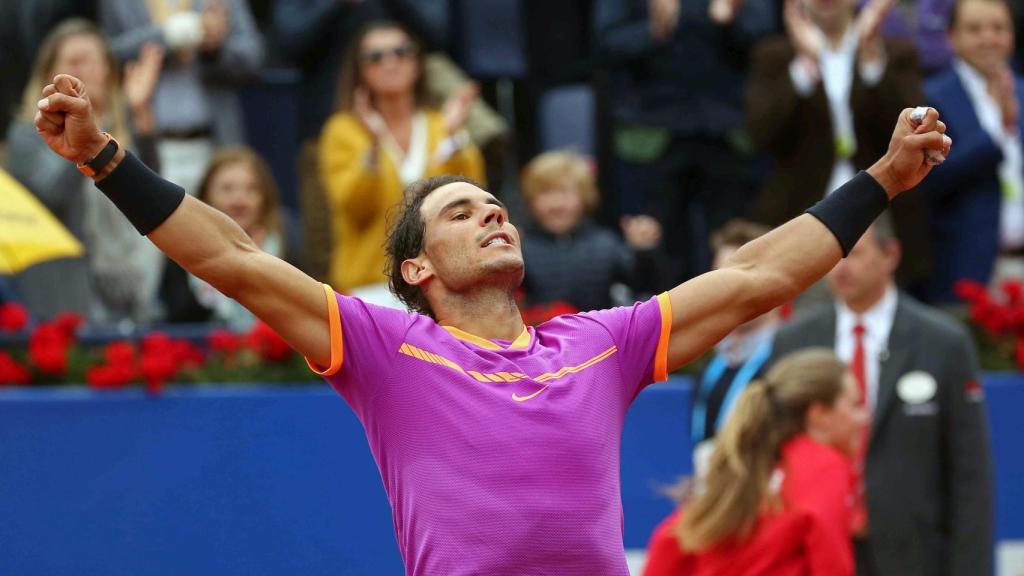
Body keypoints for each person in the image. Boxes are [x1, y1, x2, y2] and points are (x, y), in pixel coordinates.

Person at [33, 68, 949, 574]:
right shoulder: (384, 346)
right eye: (464, 212)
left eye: (496, 204)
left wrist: (881, 182)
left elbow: (755, 276)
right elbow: (228, 257)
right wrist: (106, 158)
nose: (496, 213)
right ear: (417, 269)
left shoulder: (599, 343)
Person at [771, 215, 994, 576]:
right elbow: (775, 448)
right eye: (833, 256)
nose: (840, 268)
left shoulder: (943, 343)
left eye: (854, 254)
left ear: (891, 255)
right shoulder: (794, 340)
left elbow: (969, 472)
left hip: (913, 553)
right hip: (814, 548)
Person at [747, 0, 932, 286]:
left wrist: (872, 63)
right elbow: (761, 134)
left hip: (883, 210)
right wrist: (804, 69)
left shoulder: (894, 52)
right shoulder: (776, 54)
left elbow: (912, 129)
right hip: (799, 209)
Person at [594, 0, 777, 283]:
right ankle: (667, 325)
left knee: (734, 246)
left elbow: (765, 35)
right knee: (656, 248)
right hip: (651, 132)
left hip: (726, 130)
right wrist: (654, 30)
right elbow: (605, 43)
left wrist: (730, 20)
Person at [644, 349, 868, 576]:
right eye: (855, 405)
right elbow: (832, 566)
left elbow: (670, 542)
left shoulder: (749, 459)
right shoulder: (825, 467)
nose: (865, 417)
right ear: (819, 414)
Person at [5, 19, 163, 324]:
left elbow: (150, 194)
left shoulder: (121, 126)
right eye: (74, 62)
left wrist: (141, 115)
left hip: (128, 288)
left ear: (107, 69)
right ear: (47, 74)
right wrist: (89, 130)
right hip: (64, 292)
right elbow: (53, 194)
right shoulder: (26, 133)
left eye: (93, 61)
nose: (85, 70)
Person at [319, 20, 485, 302]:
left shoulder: (441, 125)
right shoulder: (342, 131)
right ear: (359, 71)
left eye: (401, 52)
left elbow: (470, 199)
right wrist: (372, 148)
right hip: (370, 289)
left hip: (443, 284)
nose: (390, 62)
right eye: (375, 57)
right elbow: (354, 208)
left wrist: (452, 140)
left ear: (417, 62)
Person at [98, 0, 265, 195]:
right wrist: (165, 36)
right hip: (148, 142)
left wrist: (215, 51)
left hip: (212, 141)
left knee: (214, 222)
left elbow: (253, 58)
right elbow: (106, 56)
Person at [918, 0, 1024, 303]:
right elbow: (929, 180)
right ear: (952, 37)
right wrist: (997, 134)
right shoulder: (931, 99)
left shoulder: (1021, 91)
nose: (988, 38)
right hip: (966, 270)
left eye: (998, 28)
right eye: (975, 29)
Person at [160, 146, 292, 329]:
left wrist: (258, 263)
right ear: (206, 197)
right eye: (227, 189)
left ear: (265, 198)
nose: (239, 200)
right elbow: (177, 318)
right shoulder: (180, 250)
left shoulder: (287, 245)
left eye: (251, 189)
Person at [519, 150, 668, 311]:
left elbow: (646, 290)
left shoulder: (605, 243)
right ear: (530, 201)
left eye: (564, 193)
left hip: (599, 333)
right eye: (545, 193)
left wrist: (643, 251)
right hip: (540, 333)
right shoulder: (522, 248)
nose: (556, 204)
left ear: (584, 197)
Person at [690, 219, 781, 446]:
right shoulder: (713, 361)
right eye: (717, 277)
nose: (722, 290)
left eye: (733, 277)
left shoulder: (788, 360)